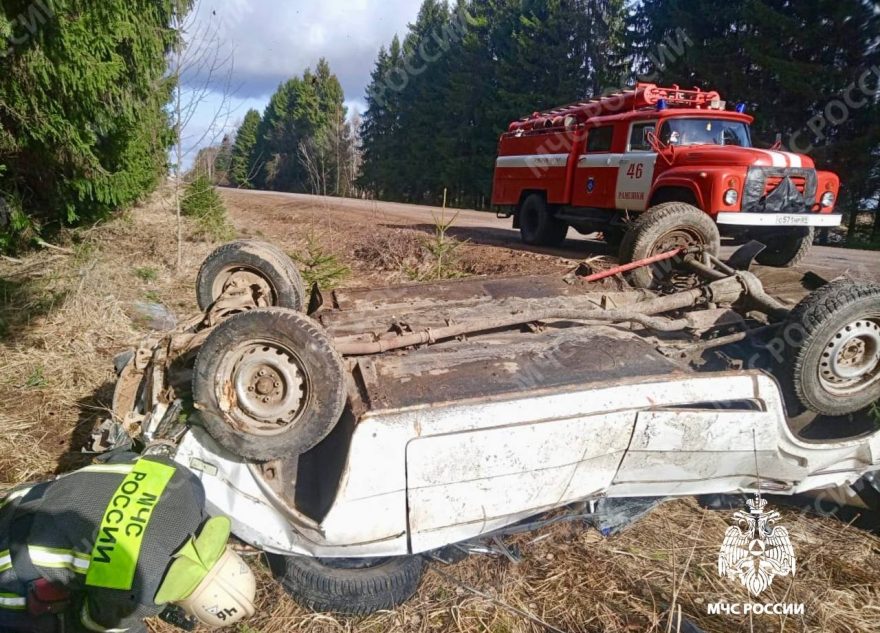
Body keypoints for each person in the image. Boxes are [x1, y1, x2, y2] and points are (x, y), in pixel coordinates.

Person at [0, 454, 256, 632]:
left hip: (27, 497)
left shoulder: (187, 483)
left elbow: (117, 461)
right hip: (9, 560)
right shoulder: (142, 595)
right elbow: (95, 624)